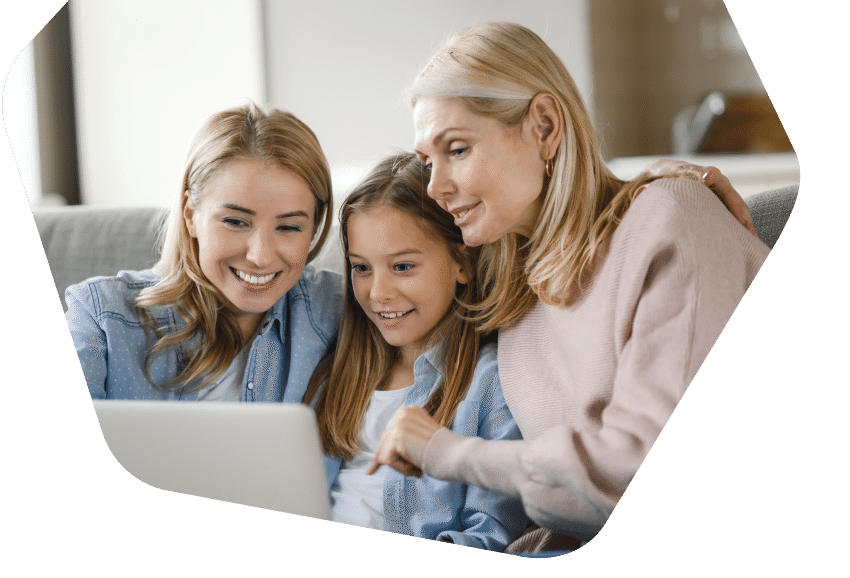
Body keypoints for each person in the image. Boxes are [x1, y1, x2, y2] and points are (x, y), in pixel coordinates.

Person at [368, 22, 771, 552]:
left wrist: (446, 451)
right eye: (427, 161)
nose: (435, 186)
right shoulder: (514, 292)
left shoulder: (672, 220)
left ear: (544, 126)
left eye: (458, 149)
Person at [303, 153, 526, 550]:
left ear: (463, 263)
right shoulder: (336, 371)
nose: (378, 293)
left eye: (403, 267)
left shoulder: (488, 385)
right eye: (361, 268)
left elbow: (492, 532)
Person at [66, 102, 342, 402]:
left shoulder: (340, 312)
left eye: (289, 227)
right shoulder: (101, 318)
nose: (260, 257)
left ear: (314, 227)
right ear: (189, 214)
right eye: (235, 222)